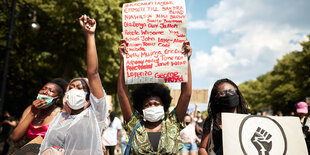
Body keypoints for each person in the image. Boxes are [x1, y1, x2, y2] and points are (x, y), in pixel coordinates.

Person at [39, 14, 108, 155]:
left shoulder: (95, 114)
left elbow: (93, 74)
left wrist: (89, 35)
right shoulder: (60, 118)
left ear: (89, 97)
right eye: (72, 87)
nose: (74, 90)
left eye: (81, 88)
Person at [117, 38, 192, 154]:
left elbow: (186, 95)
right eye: (147, 105)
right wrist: (123, 60)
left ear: (163, 105)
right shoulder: (134, 123)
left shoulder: (173, 123)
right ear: (141, 109)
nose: (152, 106)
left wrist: (185, 60)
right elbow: (122, 95)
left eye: (156, 104)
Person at [198, 78, 249, 155]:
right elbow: (202, 148)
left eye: (231, 91)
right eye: (223, 93)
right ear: (216, 99)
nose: (228, 94)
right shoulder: (212, 120)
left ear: (237, 94)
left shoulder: (247, 119)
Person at [12, 78, 68, 143]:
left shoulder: (60, 114)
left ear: (57, 99)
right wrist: (32, 113)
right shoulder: (30, 109)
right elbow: (15, 137)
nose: (45, 92)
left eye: (51, 91)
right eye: (43, 89)